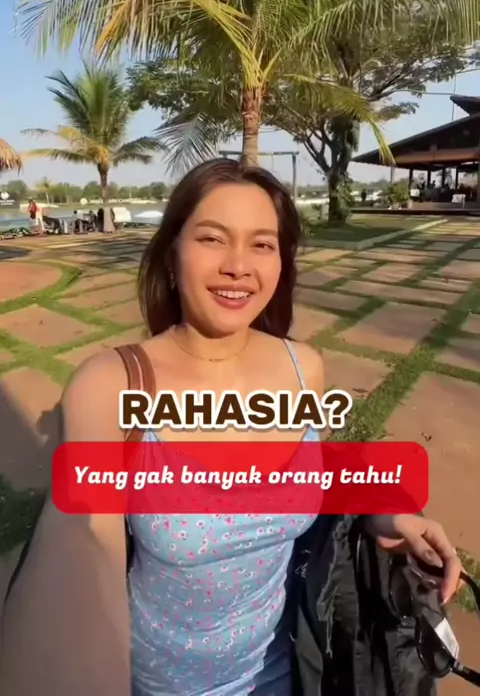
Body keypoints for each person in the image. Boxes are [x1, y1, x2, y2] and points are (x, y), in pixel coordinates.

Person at [0, 159, 461, 696]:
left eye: (262, 244)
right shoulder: (112, 385)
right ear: (171, 254)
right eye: (212, 238)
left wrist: (382, 512)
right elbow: (82, 540)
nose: (238, 266)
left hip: (284, 668)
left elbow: (316, 470)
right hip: (161, 682)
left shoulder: (301, 368)